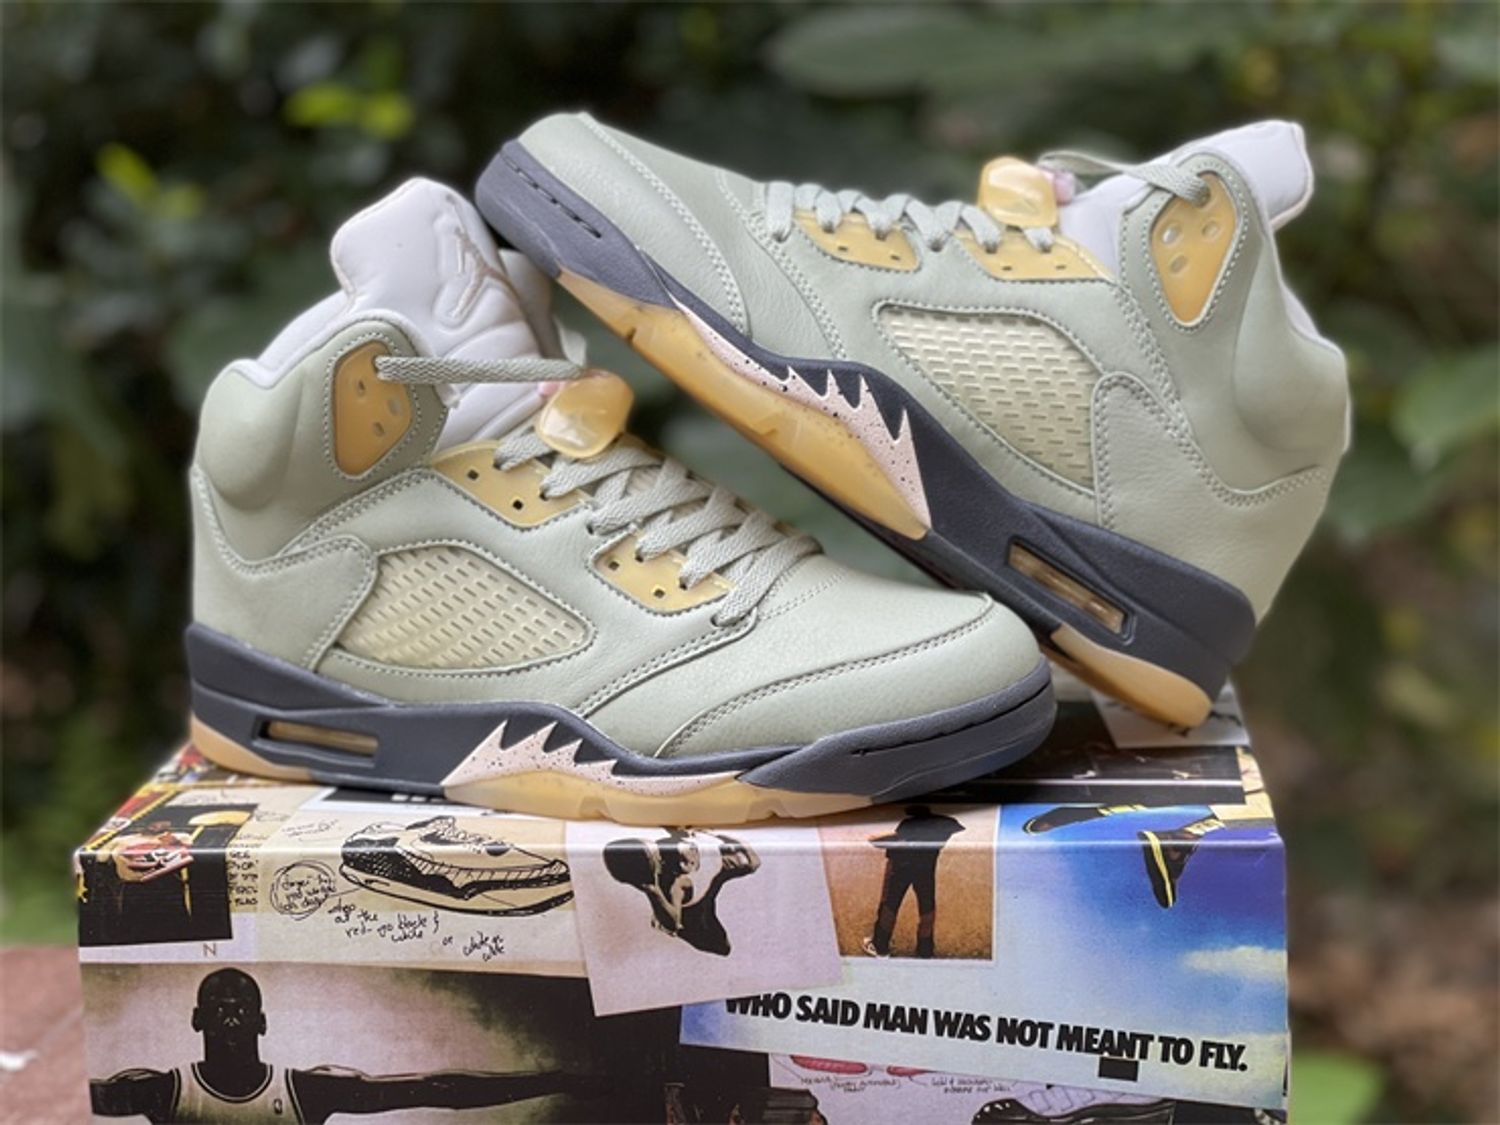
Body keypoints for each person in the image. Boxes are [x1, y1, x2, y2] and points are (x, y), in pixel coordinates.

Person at [90, 967, 601, 1122]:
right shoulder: (163, 1091)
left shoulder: (307, 1091)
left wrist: (554, 1080)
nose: (230, 1015)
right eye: (218, 1006)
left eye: (242, 1006)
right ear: (196, 1019)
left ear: (262, 1023)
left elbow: (436, 1088)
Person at [603, 829, 761, 956]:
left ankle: (665, 913)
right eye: (684, 862)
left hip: (705, 893)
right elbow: (673, 924)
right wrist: (652, 889)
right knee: (721, 947)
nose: (692, 855)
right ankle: (665, 913)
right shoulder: (679, 883)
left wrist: (726, 838)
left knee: (721, 946)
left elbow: (754, 863)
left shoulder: (705, 854)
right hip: (694, 914)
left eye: (692, 850)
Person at [863, 805, 965, 958]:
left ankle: (880, 946)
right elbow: (957, 826)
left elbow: (874, 840)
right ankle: (925, 950)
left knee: (890, 905)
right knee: (927, 908)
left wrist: (896, 836)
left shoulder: (907, 825)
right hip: (925, 868)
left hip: (899, 868)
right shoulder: (943, 824)